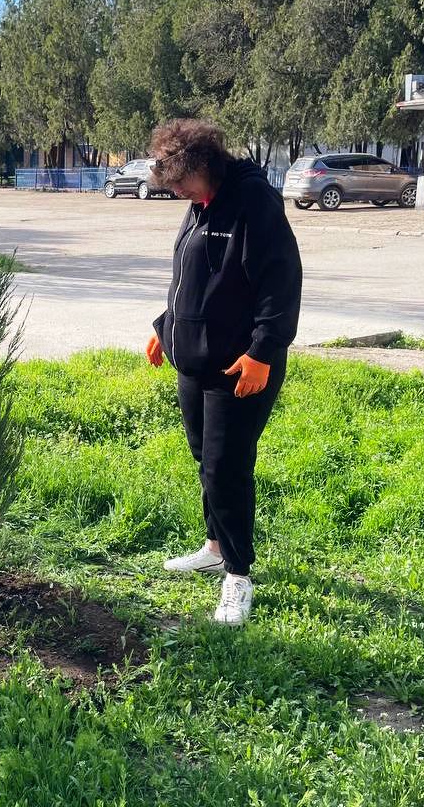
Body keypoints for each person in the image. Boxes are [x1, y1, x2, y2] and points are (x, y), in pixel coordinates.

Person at [145, 119, 302, 625]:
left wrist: (264, 351)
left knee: (226, 466)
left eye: (180, 182)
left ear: (204, 165)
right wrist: (164, 327)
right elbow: (187, 277)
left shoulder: (253, 201)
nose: (176, 192)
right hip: (193, 362)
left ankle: (238, 575)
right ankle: (214, 546)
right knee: (204, 459)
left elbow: (280, 280)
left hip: (240, 366)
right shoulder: (199, 205)